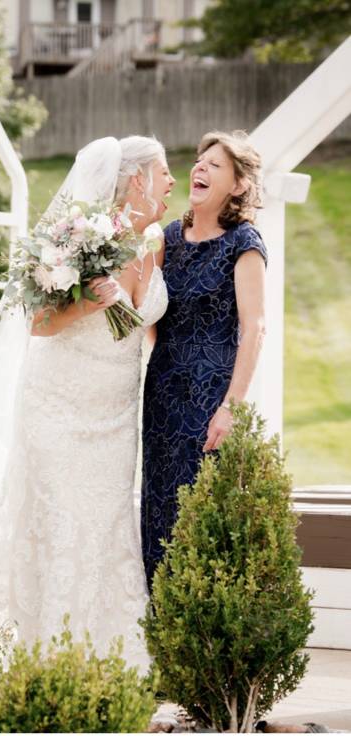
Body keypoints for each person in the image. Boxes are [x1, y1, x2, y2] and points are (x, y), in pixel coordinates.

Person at [0, 136, 175, 672]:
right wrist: (87, 303)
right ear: (138, 180)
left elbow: (142, 326)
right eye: (164, 171)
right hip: (59, 403)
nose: (172, 181)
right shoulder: (78, 236)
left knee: (106, 520)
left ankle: (111, 658)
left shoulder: (154, 243)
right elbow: (38, 323)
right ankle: (46, 654)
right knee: (59, 520)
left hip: (115, 413)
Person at [141, 130, 267, 590]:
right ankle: (158, 614)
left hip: (211, 400)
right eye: (200, 161)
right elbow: (150, 313)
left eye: (215, 165)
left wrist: (231, 407)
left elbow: (255, 329)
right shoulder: (168, 239)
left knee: (199, 515)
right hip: (162, 395)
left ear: (238, 185)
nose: (200, 168)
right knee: (158, 509)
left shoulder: (244, 243)